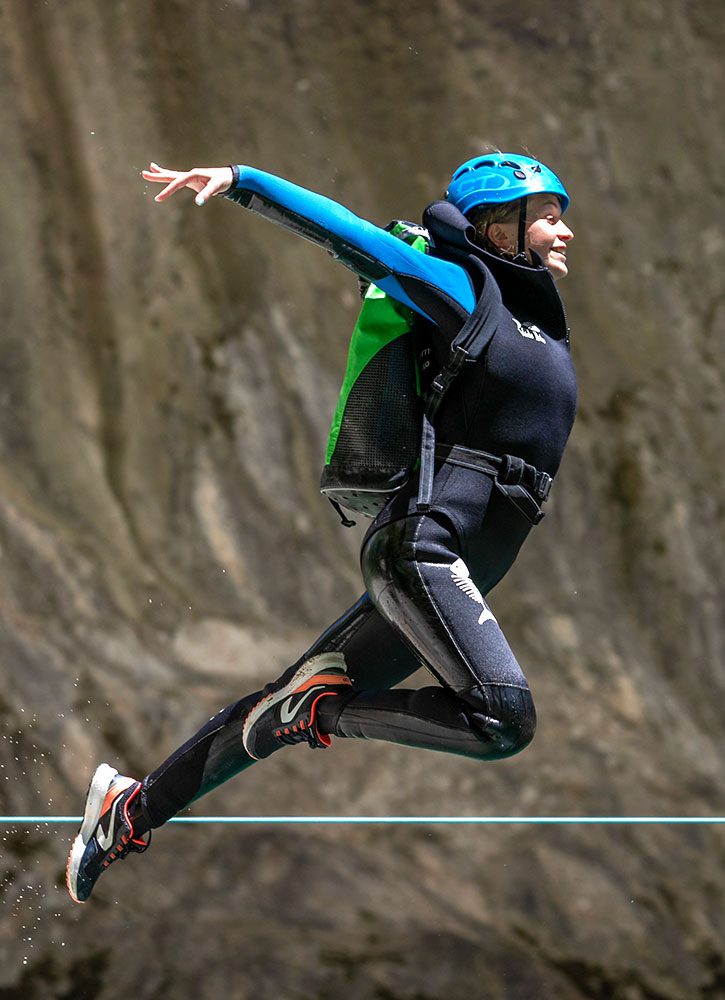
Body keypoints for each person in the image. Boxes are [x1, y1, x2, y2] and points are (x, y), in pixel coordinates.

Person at [66, 152, 576, 903]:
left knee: (270, 714)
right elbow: (353, 238)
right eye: (548, 214)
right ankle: (318, 708)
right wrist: (243, 181)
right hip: (423, 552)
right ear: (500, 226)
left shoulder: (538, 322)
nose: (564, 229)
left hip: (453, 569)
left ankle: (125, 813)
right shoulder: (466, 294)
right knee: (500, 722)